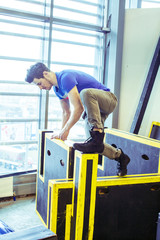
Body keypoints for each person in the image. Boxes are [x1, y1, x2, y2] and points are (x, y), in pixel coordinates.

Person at [25, 62, 130, 176]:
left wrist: (66, 130)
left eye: (39, 83)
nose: (40, 88)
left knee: (86, 93)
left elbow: (78, 109)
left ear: (45, 74)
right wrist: (62, 134)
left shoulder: (65, 77)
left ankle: (97, 136)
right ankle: (120, 157)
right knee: (94, 146)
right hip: (93, 110)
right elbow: (66, 112)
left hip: (108, 100)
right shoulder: (57, 90)